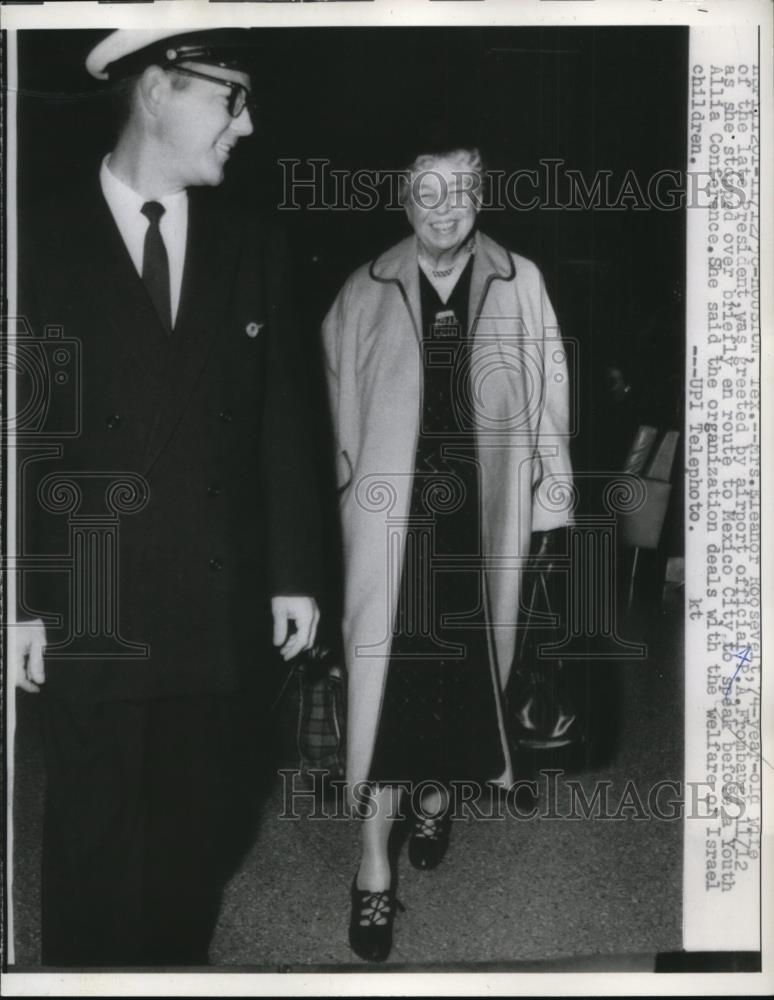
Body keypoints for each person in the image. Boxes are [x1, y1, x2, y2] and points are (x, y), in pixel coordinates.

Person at [12, 28, 321, 966]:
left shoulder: (255, 241)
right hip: (89, 602)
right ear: (156, 89)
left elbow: (285, 421)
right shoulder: (34, 236)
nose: (248, 123)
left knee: (195, 840)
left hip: (214, 603)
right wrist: (17, 593)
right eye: (233, 98)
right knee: (94, 844)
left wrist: (296, 573)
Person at [322, 141, 573, 961]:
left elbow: (549, 396)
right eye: (426, 192)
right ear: (403, 198)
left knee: (467, 679)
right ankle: (371, 874)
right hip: (395, 536)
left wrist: (551, 508)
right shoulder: (363, 290)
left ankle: (437, 797)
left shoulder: (520, 280)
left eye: (459, 191)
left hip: (483, 525)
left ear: (479, 197)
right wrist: (346, 511)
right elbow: (337, 418)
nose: (443, 207)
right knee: (387, 694)